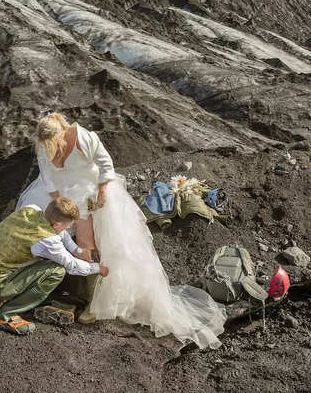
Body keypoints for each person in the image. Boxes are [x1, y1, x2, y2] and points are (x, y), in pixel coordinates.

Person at [17, 113, 226, 349]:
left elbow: (106, 164)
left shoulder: (84, 138)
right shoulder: (44, 145)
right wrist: (60, 203)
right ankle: (37, 284)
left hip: (92, 191)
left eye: (52, 145)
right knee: (44, 230)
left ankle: (91, 300)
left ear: (62, 134)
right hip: (64, 194)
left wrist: (102, 193)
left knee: (93, 244)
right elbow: (48, 178)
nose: (48, 149)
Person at [0, 196, 108, 335]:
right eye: (67, 226)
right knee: (57, 270)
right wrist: (98, 268)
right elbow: (72, 266)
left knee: (39, 259)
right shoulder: (47, 241)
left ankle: (17, 298)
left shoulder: (31, 209)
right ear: (56, 224)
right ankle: (6, 314)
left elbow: (60, 233)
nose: (67, 229)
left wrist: (77, 250)